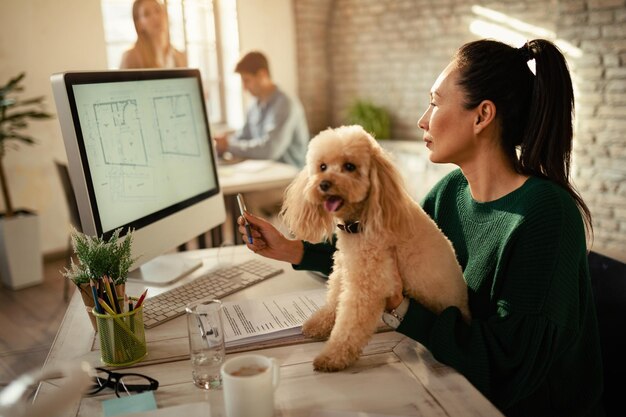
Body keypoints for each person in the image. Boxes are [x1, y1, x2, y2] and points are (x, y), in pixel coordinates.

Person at [236, 39, 605, 417]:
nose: (422, 119)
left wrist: (401, 306)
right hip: (450, 375)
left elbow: (507, 368)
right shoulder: (451, 192)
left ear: (482, 116)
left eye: (434, 101)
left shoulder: (545, 215)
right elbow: (373, 247)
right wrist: (292, 249)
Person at [214, 51, 309, 168]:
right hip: (264, 170)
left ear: (262, 75)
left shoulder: (285, 104)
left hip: (288, 175)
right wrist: (223, 142)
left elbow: (270, 150)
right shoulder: (253, 105)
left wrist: (228, 146)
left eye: (246, 80)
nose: (244, 88)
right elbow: (244, 136)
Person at [120, 0, 187, 69]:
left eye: (158, 10)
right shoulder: (130, 58)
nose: (155, 17)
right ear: (138, 24)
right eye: (147, 14)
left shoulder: (180, 56)